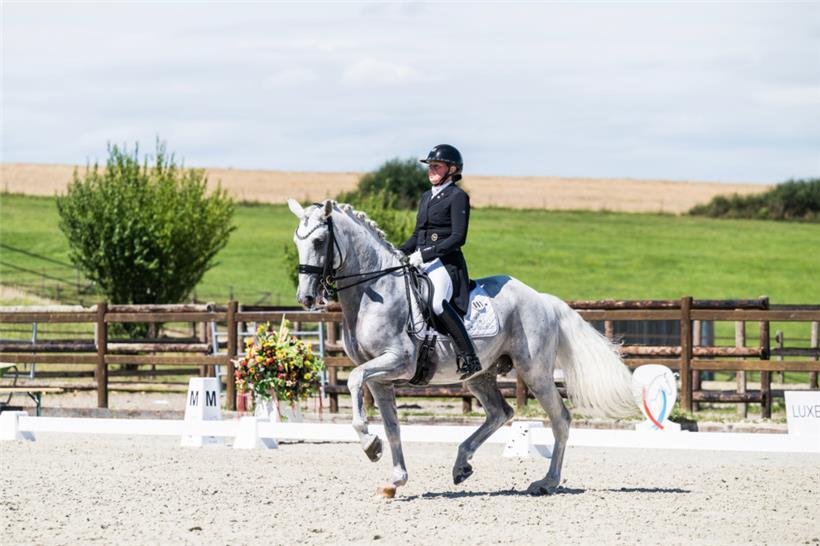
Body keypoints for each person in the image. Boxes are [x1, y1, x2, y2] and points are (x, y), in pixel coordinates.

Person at [400, 144, 482, 379]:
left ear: (452, 169)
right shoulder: (426, 196)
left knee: (436, 303)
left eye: (436, 166)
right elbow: (417, 234)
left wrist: (425, 254)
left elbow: (458, 238)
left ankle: (469, 356)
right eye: (430, 166)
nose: (431, 170)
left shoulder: (458, 197)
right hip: (422, 261)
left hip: (446, 263)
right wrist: (397, 252)